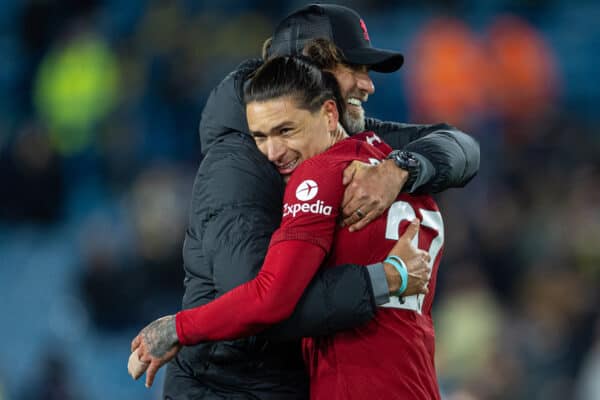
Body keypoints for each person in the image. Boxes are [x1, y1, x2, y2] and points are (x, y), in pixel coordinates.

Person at [132, 3, 479, 398]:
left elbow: (459, 145)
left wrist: (400, 168)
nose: (368, 85)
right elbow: (261, 303)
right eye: (356, 67)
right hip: (228, 389)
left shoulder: (342, 144)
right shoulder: (238, 166)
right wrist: (385, 279)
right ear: (310, 69)